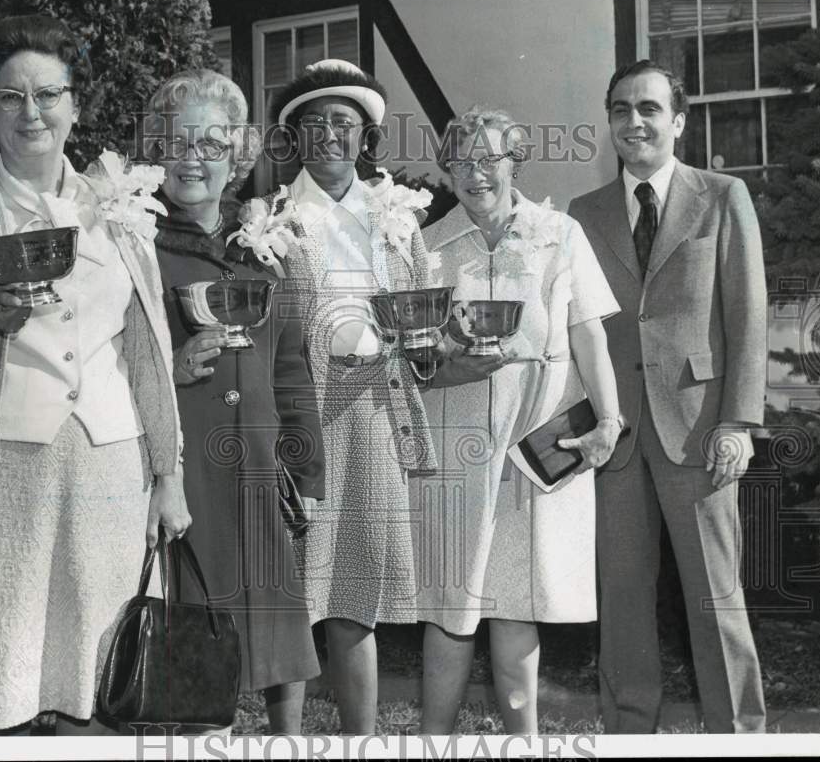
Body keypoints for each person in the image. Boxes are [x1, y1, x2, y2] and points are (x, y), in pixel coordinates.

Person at [0, 15, 188, 735]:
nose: (32, 112)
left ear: (76, 105)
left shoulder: (123, 210)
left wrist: (169, 475)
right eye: (10, 97)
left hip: (109, 470)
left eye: (49, 94)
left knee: (98, 683)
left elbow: (148, 354)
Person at [568, 60, 767, 734]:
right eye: (621, 109)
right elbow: (578, 325)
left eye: (649, 108)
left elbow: (746, 314)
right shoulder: (583, 213)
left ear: (677, 120)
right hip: (616, 430)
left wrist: (738, 420)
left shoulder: (721, 195)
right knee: (622, 595)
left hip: (700, 425)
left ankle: (739, 732)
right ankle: (629, 731)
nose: (635, 121)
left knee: (716, 594)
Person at [412, 106, 624, 734]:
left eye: (490, 159)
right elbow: (415, 355)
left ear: (515, 163)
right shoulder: (425, 246)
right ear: (447, 170)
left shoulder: (560, 233)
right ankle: (433, 744)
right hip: (454, 441)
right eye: (462, 161)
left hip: (537, 440)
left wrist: (608, 421)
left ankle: (523, 743)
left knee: (515, 601)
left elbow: (589, 335)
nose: (476, 173)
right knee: (450, 604)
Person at [143, 69, 325, 734]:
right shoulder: (136, 247)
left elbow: (292, 369)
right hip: (184, 468)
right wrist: (173, 365)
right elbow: (109, 370)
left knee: (281, 628)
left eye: (212, 145)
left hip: (259, 466)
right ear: (157, 151)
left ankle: (289, 744)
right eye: (179, 142)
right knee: (195, 618)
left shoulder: (268, 250)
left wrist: (305, 470)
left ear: (237, 158)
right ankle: (196, 734)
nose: (194, 159)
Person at [260, 59, 437, 734]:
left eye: (345, 122)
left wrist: (427, 342)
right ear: (295, 137)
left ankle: (359, 743)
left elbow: (424, 321)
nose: (330, 134)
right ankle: (287, 743)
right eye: (315, 122)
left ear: (366, 136)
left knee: (355, 592)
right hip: (302, 409)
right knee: (292, 593)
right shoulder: (272, 219)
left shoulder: (396, 216)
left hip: (372, 411)